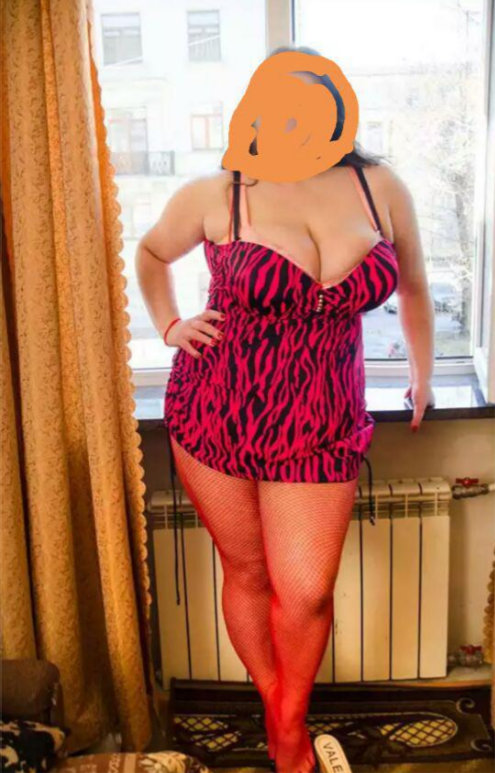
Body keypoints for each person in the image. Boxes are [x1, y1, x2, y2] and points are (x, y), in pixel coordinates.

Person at [136, 46, 435, 773]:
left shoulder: (378, 186)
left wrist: (422, 374)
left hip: (322, 418)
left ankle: (284, 715)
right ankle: (286, 724)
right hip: (217, 409)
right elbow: (150, 254)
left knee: (305, 592)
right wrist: (171, 326)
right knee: (247, 572)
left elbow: (415, 287)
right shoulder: (219, 192)